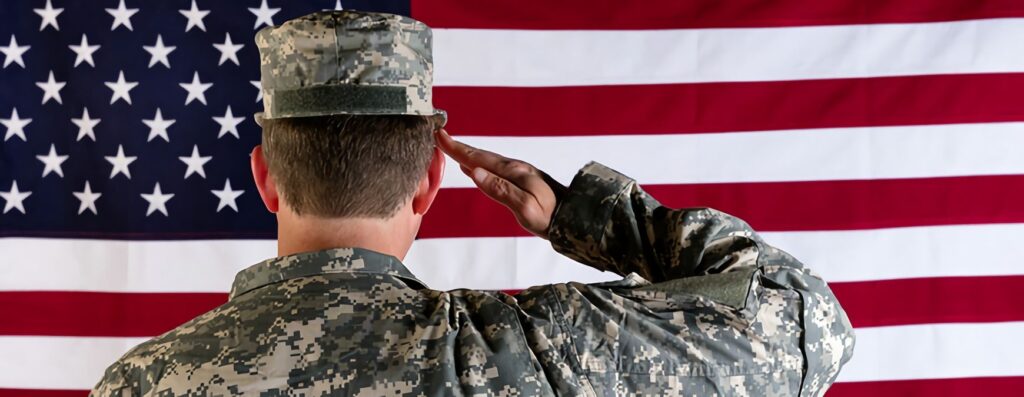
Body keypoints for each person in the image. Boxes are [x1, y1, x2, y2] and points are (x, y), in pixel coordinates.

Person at [91, 10, 854, 396]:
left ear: (263, 177)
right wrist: (586, 218)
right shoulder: (526, 356)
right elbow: (804, 319)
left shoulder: (138, 384)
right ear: (429, 182)